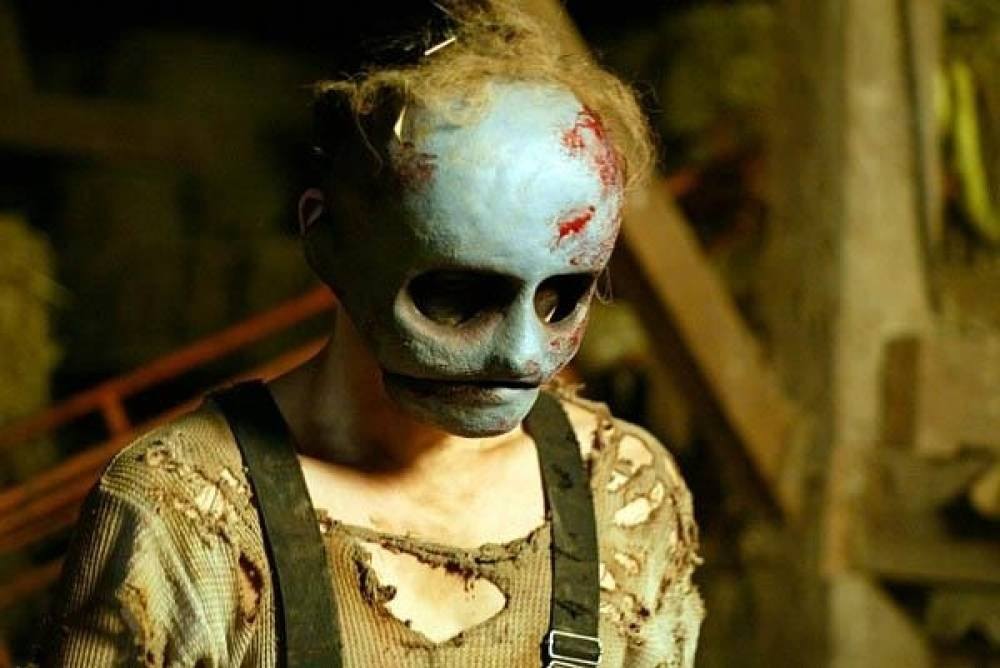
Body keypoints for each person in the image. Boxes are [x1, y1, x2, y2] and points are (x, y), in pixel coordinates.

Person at [36, 3, 703, 666]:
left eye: (562, 298)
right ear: (327, 241)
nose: (524, 355)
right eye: (456, 296)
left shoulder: (623, 495)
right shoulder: (185, 514)